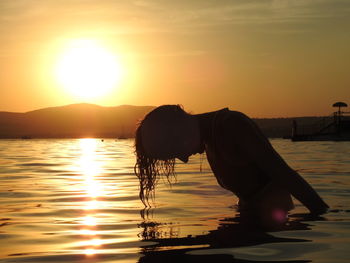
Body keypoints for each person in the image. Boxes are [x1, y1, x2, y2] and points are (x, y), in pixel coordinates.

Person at [134, 105, 329, 224]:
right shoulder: (211, 138)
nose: (184, 159)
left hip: (269, 229)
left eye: (177, 151)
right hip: (251, 220)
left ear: (181, 134)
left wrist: (321, 215)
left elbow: (283, 174)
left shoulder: (231, 125)